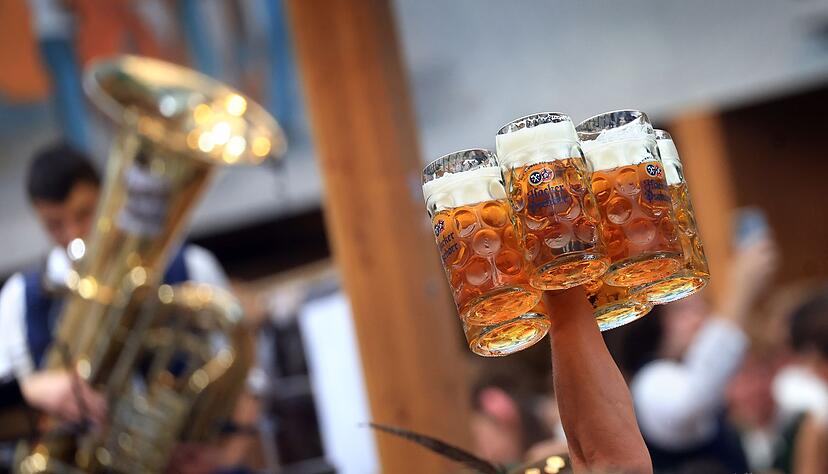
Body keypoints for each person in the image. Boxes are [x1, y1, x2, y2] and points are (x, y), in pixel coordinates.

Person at [0, 143, 254, 471]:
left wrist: (224, 453)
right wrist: (34, 390)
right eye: (55, 224)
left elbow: (245, 386)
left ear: (109, 200)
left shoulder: (190, 267)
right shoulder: (18, 300)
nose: (74, 234)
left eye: (84, 213)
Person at [612, 235, 778, 473]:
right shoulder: (651, 379)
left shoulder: (683, 372)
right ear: (655, 324)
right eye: (684, 311)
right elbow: (691, 401)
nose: (700, 318)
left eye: (702, 306)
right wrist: (740, 290)